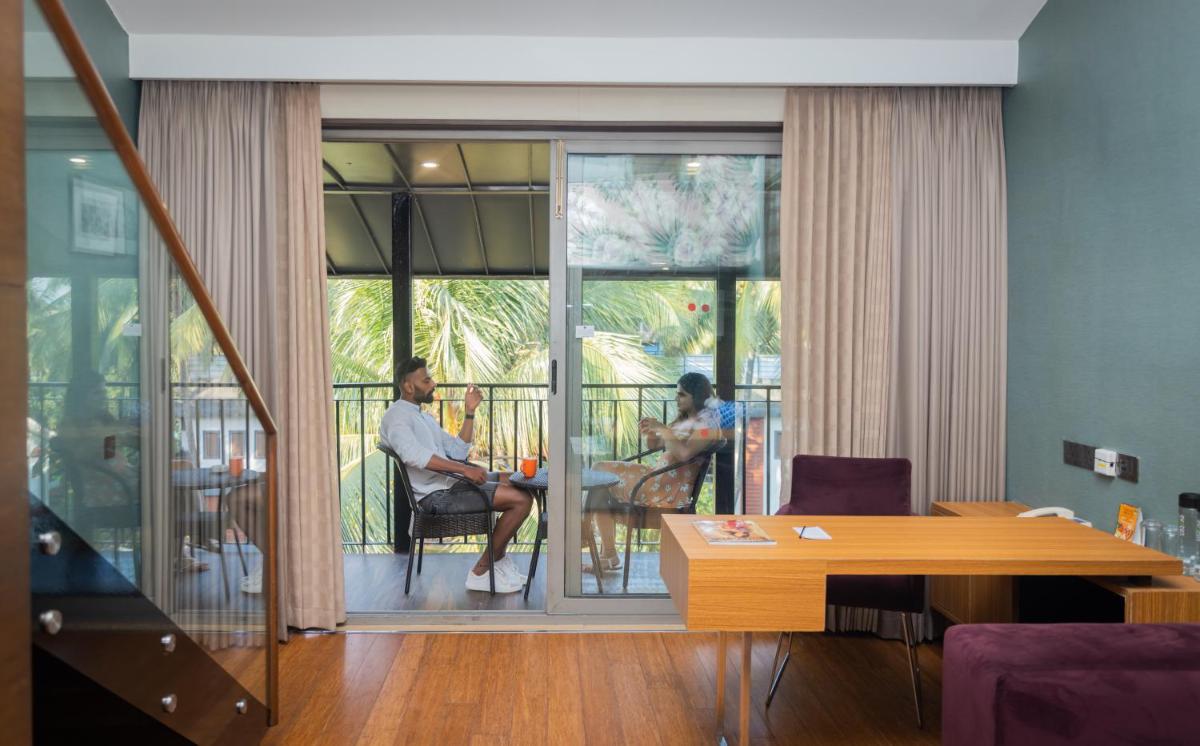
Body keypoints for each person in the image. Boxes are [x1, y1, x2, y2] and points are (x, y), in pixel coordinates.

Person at [380, 357, 534, 593]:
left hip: (450, 483)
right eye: (427, 380)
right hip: (436, 496)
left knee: (517, 480)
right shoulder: (397, 417)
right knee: (522, 500)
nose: (433, 384)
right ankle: (481, 572)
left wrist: (470, 412)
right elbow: (413, 455)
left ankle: (497, 562)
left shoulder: (422, 417)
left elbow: (456, 450)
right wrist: (465, 470)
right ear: (408, 386)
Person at [590, 372, 721, 572]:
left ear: (697, 396)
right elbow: (657, 444)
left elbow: (685, 453)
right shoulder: (687, 421)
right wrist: (652, 433)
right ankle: (606, 553)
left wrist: (663, 428)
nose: (677, 399)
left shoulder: (706, 426)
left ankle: (601, 547)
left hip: (663, 489)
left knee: (599, 473)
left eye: (682, 395)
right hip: (657, 477)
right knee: (599, 480)